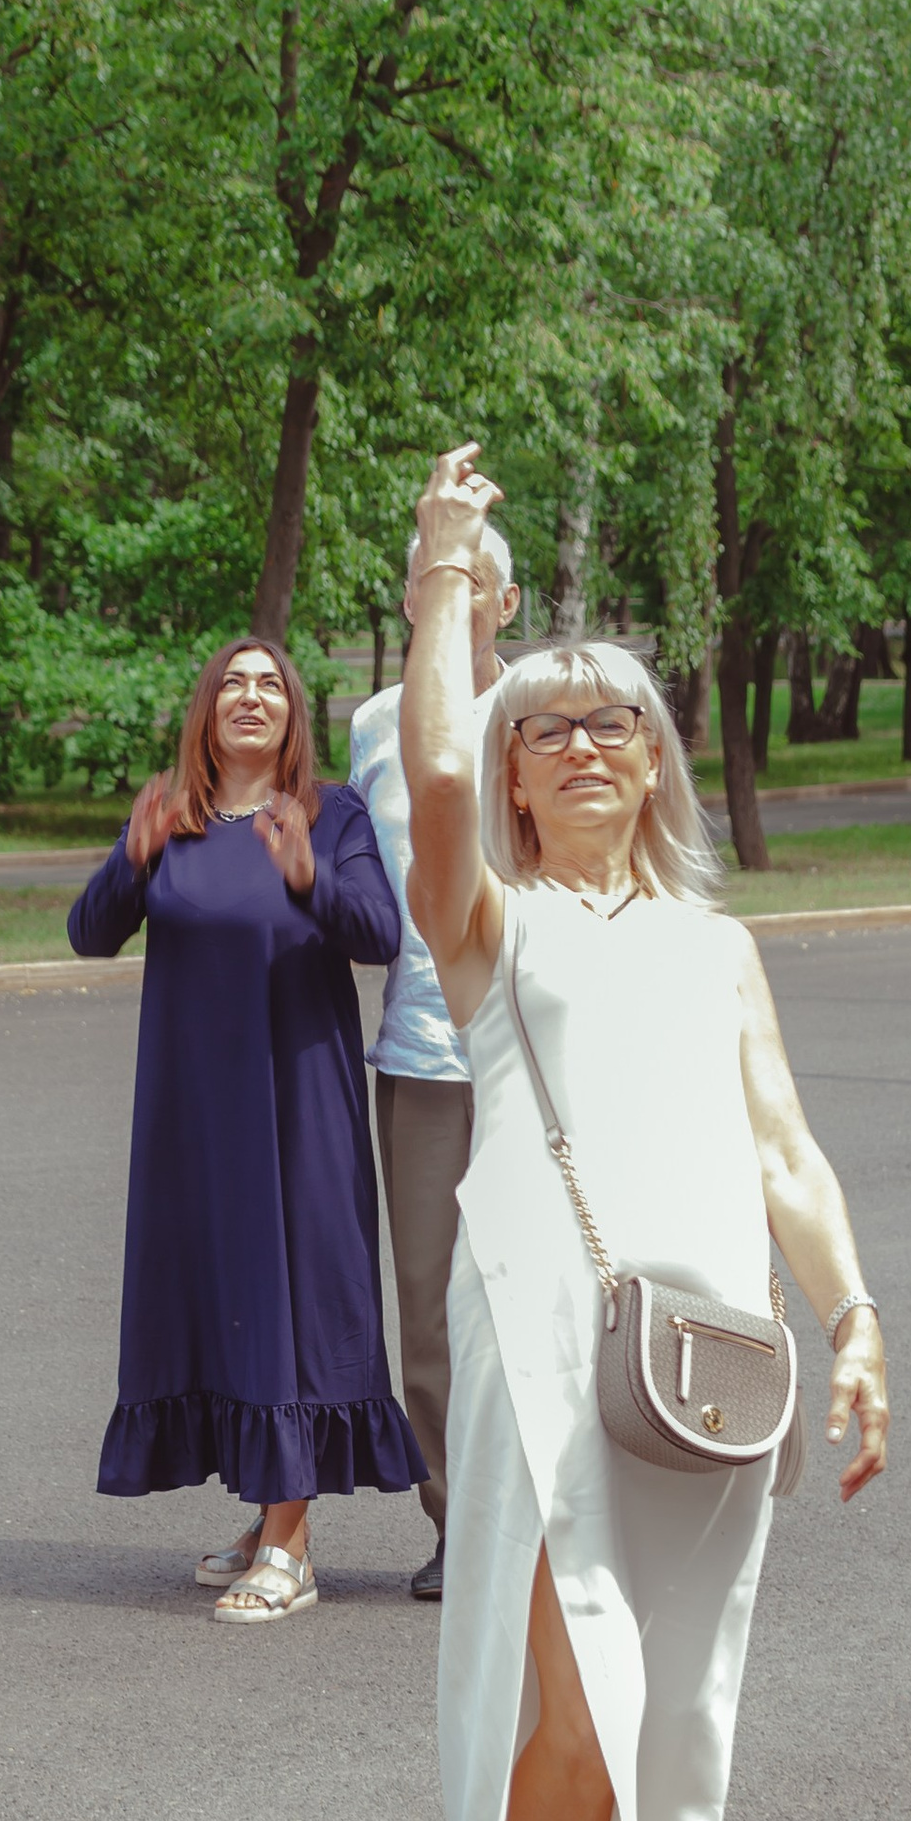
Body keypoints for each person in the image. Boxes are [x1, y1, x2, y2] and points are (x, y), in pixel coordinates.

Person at [398, 443, 890, 1821]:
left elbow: (785, 1155)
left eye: (620, 724)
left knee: (669, 1684)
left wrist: (857, 1317)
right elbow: (436, 774)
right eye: (554, 728)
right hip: (547, 1349)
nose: (588, 745)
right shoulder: (490, 927)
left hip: (706, 1365)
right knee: (568, 1690)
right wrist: (444, 581)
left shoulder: (712, 941)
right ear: (520, 778)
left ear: (659, 763)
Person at [68, 636, 425, 1623]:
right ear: (206, 709)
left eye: (271, 685)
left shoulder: (329, 811)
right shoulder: (170, 817)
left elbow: (378, 933)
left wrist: (310, 876)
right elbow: (90, 932)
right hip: (192, 1110)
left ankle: (292, 1541)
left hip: (296, 1100)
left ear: (292, 714)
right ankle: (261, 1514)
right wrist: (130, 855)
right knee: (220, 1299)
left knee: (295, 1299)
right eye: (233, 682)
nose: (251, 697)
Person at [347, 524, 520, 1601]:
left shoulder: (550, 708)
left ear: (503, 605)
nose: (449, 607)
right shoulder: (374, 724)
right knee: (429, 1306)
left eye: (469, 589)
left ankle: (565, 1516)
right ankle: (461, 1520)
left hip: (538, 1049)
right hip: (419, 1056)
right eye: (428, 590)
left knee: (549, 1292)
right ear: (411, 606)